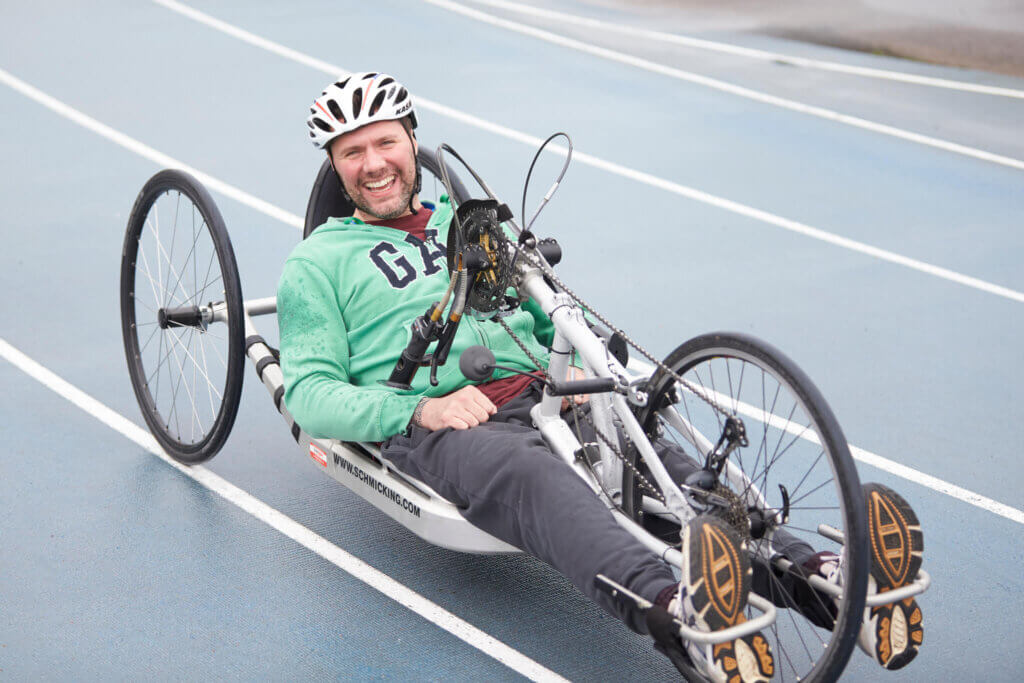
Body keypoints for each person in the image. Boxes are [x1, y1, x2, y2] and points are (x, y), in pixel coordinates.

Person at [280, 72, 924, 680]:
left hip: (548, 388)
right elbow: (309, 393)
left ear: (412, 141)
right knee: (541, 482)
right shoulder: (317, 263)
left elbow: (552, 307)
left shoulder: (472, 226)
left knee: (666, 470)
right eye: (352, 152)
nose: (373, 164)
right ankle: (681, 612)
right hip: (450, 421)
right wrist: (419, 412)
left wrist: (597, 355)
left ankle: (833, 585)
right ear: (335, 166)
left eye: (385, 141)